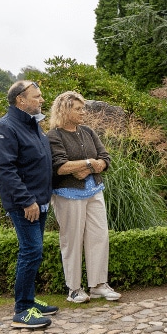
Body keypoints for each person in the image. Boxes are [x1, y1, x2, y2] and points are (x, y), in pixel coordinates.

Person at [0, 80, 59, 329]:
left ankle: (29, 300)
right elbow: (5, 170)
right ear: (21, 100)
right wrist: (27, 200)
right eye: (37, 96)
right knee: (31, 252)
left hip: (39, 201)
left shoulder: (32, 125)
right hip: (25, 204)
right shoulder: (4, 128)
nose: (41, 100)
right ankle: (22, 310)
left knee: (34, 252)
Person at [47, 91, 120, 304]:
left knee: (99, 237)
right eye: (78, 109)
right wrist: (90, 163)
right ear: (65, 110)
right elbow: (60, 167)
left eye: (83, 108)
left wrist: (89, 166)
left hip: (94, 191)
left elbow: (105, 158)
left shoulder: (87, 131)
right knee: (72, 240)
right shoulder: (54, 136)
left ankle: (98, 285)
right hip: (68, 195)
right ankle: (74, 289)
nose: (83, 112)